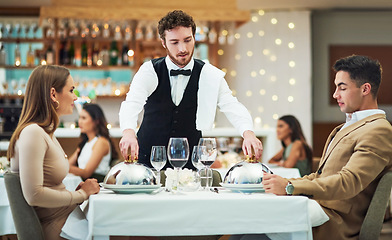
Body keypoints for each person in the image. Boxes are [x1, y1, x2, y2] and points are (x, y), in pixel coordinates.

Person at [262, 55, 392, 240]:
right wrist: (281, 181)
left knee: (255, 231)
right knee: (251, 228)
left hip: (334, 224)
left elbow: (348, 182)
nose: (335, 94)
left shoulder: (379, 130)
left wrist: (290, 187)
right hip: (318, 210)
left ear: (365, 89)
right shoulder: (344, 127)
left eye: (342, 87)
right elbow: (321, 175)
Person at [119, 10, 262, 169]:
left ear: (194, 37)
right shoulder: (149, 71)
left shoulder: (209, 74)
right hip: (149, 160)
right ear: (163, 42)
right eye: (174, 42)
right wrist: (128, 132)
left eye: (187, 40)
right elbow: (131, 103)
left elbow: (231, 105)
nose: (183, 49)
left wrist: (248, 133)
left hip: (191, 163)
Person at [7, 65, 100, 240]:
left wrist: (78, 196)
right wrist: (80, 194)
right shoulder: (33, 133)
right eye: (71, 90)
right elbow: (34, 195)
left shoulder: (45, 132)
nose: (75, 96)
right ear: (53, 94)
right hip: (59, 227)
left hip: (67, 220)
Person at [68, 103, 119, 182]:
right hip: (85, 183)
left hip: (97, 185)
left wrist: (63, 167)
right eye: (79, 118)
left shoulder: (101, 142)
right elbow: (68, 164)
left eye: (84, 118)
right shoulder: (85, 143)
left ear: (96, 121)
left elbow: (86, 173)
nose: (80, 122)